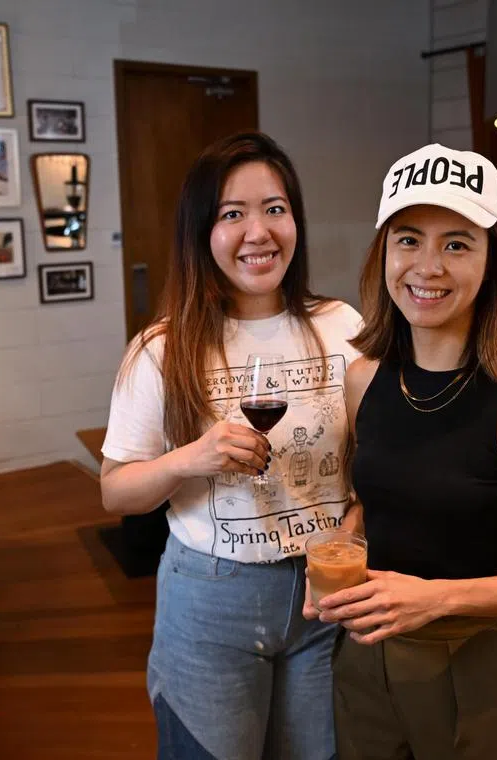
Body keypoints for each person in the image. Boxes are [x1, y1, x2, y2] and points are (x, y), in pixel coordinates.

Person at [305, 144, 497, 759]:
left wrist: (438, 597)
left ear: (492, 261)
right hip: (360, 658)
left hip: (464, 663)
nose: (428, 267)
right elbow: (374, 498)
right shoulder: (363, 377)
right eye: (408, 239)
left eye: (457, 244)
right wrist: (340, 553)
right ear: (384, 251)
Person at [100, 132, 362, 759]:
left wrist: (355, 526)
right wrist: (193, 457)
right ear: (202, 231)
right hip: (211, 600)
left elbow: (374, 461)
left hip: (322, 597)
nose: (258, 231)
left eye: (274, 208)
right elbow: (115, 490)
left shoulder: (343, 326)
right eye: (232, 214)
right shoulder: (162, 348)